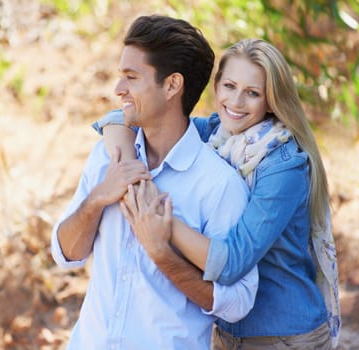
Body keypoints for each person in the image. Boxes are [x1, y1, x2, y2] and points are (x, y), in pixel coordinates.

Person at [94, 38, 341, 349]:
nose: (236, 102)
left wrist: (159, 218)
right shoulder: (216, 133)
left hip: (284, 336)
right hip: (225, 332)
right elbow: (126, 120)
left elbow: (232, 262)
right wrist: (128, 163)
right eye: (229, 86)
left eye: (252, 93)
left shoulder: (283, 164)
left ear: (271, 101)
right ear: (216, 86)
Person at [51, 15, 258, 349]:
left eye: (131, 77)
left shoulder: (219, 186)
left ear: (172, 85)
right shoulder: (108, 157)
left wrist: (163, 255)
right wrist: (97, 198)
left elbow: (237, 303)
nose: (118, 90)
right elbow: (66, 254)